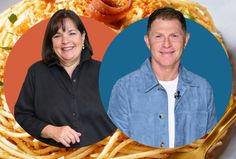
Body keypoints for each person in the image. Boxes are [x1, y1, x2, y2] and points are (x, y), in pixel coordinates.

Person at [108, 7, 217, 148]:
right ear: (148, 41)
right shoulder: (123, 89)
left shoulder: (203, 88)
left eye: (174, 36)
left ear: (186, 40)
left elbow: (212, 140)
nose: (166, 44)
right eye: (158, 36)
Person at [14, 9, 115, 148]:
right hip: (50, 154)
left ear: (83, 37)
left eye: (72, 33)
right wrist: (51, 131)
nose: (65, 41)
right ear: (51, 42)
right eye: (57, 36)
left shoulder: (104, 72)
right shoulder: (36, 72)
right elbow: (22, 114)